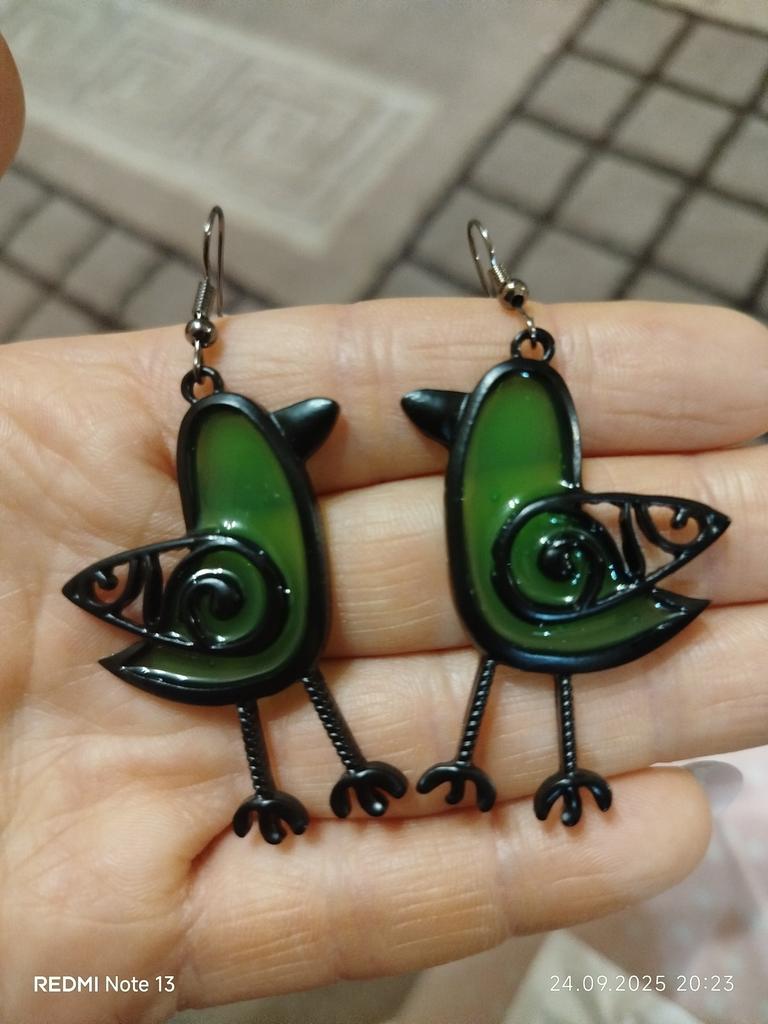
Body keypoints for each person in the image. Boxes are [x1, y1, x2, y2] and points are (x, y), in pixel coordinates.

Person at [1, 34, 767, 1024]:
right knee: (392, 661)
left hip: (480, 595)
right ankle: (396, 768)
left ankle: (435, 765)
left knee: (461, 655)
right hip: (333, 604)